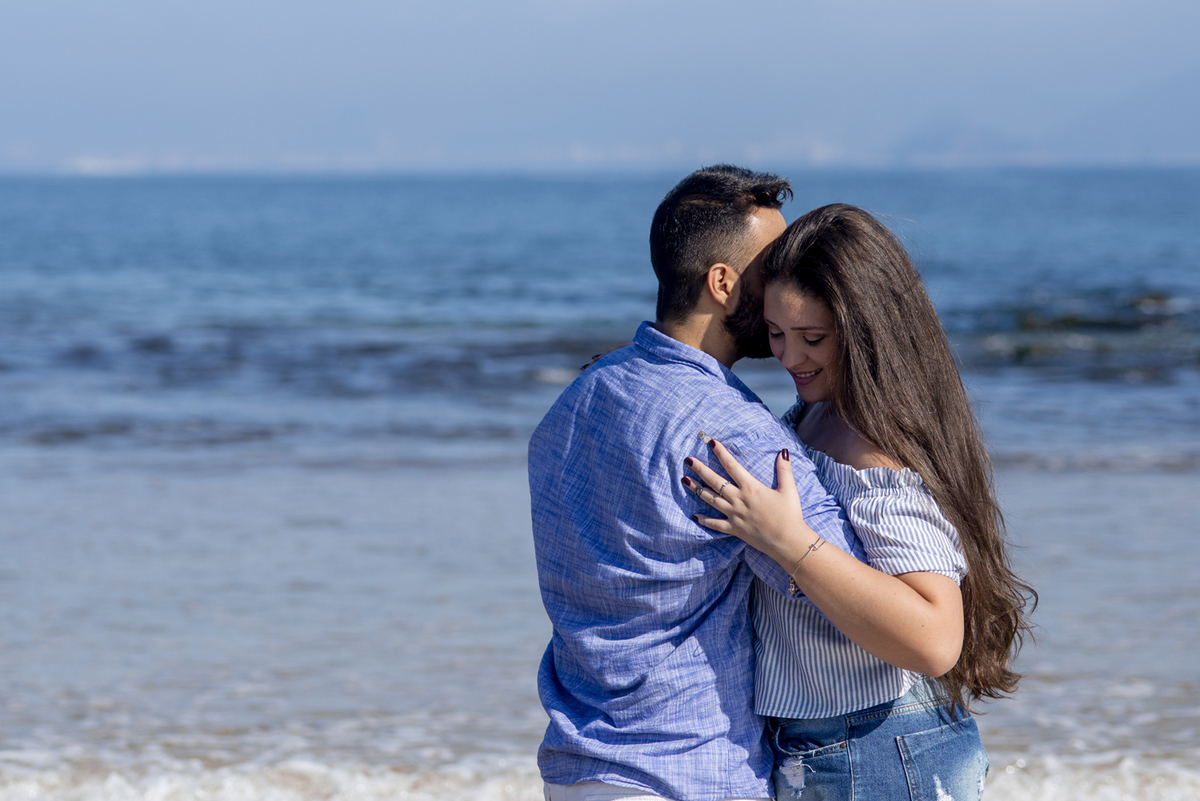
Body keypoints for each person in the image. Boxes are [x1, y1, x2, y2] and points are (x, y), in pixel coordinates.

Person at [528, 168, 869, 801]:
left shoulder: (576, 400)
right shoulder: (732, 432)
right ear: (722, 283)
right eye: (774, 266)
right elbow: (853, 594)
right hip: (684, 770)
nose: (789, 281)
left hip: (577, 768)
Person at [684, 204, 1035, 801]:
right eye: (776, 333)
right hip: (838, 743)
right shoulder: (816, 414)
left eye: (813, 338)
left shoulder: (874, 452)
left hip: (880, 746)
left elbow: (935, 638)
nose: (790, 357)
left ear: (867, 330)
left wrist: (791, 543)